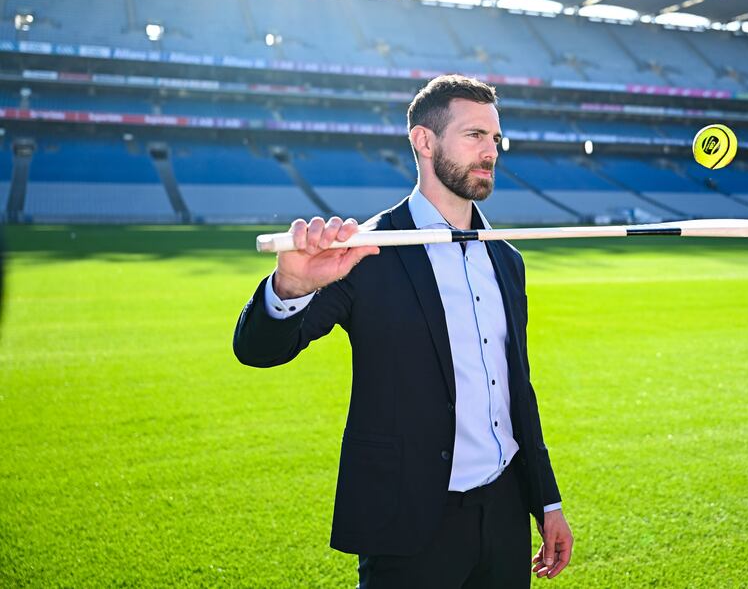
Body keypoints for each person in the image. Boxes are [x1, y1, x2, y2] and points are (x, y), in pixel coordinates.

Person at [233, 74, 573, 588]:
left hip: (504, 515)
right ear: (424, 140)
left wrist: (546, 501)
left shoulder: (507, 258)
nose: (491, 152)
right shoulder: (367, 250)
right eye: (474, 136)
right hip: (410, 521)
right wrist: (291, 287)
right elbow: (260, 350)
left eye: (495, 138)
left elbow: (517, 391)